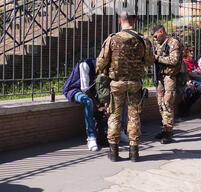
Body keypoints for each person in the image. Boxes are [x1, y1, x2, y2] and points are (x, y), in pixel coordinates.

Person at [96, 12, 154, 162]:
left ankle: (114, 153)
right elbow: (149, 61)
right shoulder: (143, 40)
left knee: (114, 116)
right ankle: (134, 153)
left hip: (116, 85)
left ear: (119, 21)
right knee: (134, 117)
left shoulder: (112, 39)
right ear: (133, 20)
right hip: (135, 84)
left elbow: (100, 64)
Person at [152, 25, 181, 143]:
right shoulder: (159, 44)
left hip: (169, 77)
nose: (155, 39)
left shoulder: (173, 43)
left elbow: (174, 60)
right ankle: (165, 128)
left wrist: (157, 58)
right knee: (160, 104)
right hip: (160, 78)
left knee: (167, 103)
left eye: (156, 36)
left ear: (161, 31)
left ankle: (168, 132)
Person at [62, 58, 99, 151]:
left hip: (90, 90)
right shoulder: (85, 64)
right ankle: (91, 137)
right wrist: (99, 105)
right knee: (88, 101)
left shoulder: (106, 69)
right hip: (74, 89)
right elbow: (85, 90)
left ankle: (120, 131)